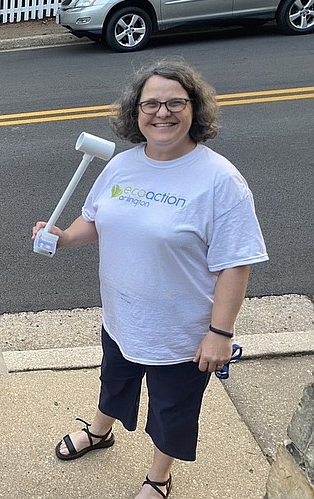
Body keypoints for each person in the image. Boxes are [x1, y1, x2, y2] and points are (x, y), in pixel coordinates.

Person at [32, 59, 268, 499]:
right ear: (135, 112)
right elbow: (96, 221)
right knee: (114, 381)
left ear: (194, 109)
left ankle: (159, 476)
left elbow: (236, 264)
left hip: (182, 334)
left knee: (172, 409)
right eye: (151, 104)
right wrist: (61, 239)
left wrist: (220, 333)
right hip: (122, 318)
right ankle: (101, 432)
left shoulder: (220, 180)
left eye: (175, 102)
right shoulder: (122, 167)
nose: (162, 113)